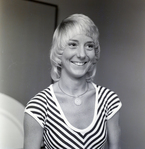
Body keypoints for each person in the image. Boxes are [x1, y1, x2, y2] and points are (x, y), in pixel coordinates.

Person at [24, 14, 122, 149]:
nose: (82, 54)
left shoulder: (109, 100)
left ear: (95, 53)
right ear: (59, 51)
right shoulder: (38, 107)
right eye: (73, 44)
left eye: (89, 46)